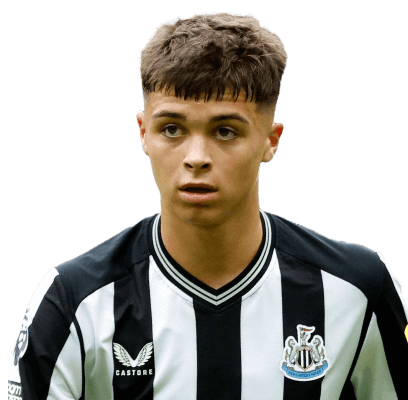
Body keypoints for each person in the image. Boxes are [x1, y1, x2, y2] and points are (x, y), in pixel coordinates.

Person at [8, 12, 407, 400]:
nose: (196, 157)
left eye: (225, 131)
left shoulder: (357, 289)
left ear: (271, 141)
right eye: (172, 129)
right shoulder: (74, 300)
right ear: (143, 133)